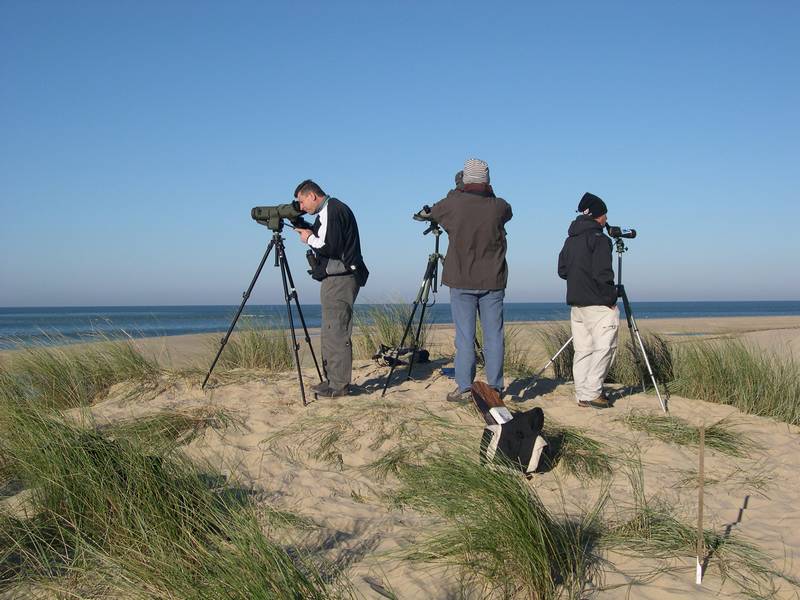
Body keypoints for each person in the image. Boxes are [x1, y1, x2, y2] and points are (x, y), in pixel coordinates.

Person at [429, 158, 513, 402]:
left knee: (465, 337)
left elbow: (435, 210)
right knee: (493, 336)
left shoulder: (454, 203)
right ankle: (495, 388)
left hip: (462, 279)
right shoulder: (498, 206)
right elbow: (508, 211)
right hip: (493, 280)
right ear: (487, 180)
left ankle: (465, 388)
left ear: (465, 179)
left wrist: (457, 189)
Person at [293, 179, 369, 397]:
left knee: (336, 331)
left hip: (342, 277)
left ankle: (339, 386)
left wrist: (308, 239)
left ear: (312, 196)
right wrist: (306, 229)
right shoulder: (328, 212)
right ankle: (332, 380)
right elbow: (327, 238)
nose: (301, 206)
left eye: (302, 201)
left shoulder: (334, 210)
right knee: (329, 331)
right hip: (334, 278)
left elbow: (331, 246)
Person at [557, 192, 619, 409]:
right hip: (598, 303)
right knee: (606, 347)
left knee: (583, 350)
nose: (606, 219)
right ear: (597, 216)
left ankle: (582, 393)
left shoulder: (570, 240)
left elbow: (562, 271)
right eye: (604, 215)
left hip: (576, 303)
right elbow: (604, 273)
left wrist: (579, 277)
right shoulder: (600, 239)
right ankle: (593, 392)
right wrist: (610, 297)